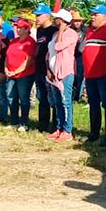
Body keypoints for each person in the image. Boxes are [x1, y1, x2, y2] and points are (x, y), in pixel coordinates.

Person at [81, 5, 106, 145]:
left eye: (96, 14)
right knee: (93, 104)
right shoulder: (90, 31)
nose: (93, 17)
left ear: (105, 16)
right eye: (92, 14)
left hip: (103, 75)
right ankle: (94, 133)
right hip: (90, 75)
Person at [47, 9, 78, 142]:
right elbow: (49, 53)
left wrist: (61, 31)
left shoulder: (71, 34)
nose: (55, 20)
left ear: (64, 21)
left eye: (57, 19)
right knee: (57, 102)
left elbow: (59, 47)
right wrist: (48, 68)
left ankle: (67, 130)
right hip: (53, 72)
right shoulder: (55, 34)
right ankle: (59, 128)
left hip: (65, 72)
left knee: (65, 102)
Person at [5, 19, 36, 131]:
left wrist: (16, 71)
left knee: (23, 98)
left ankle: (24, 122)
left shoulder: (30, 42)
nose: (17, 29)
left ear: (27, 29)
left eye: (20, 27)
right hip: (11, 74)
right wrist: (6, 68)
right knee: (11, 97)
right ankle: (14, 121)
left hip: (24, 75)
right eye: (16, 27)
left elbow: (29, 60)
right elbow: (7, 56)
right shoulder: (13, 41)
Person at [32, 3, 58, 132]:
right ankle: (42, 125)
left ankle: (55, 126)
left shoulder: (53, 31)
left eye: (39, 15)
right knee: (42, 98)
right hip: (39, 68)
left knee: (52, 98)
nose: (36, 18)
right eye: (36, 15)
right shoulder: (39, 31)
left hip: (50, 70)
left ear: (47, 16)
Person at [70, 10, 86, 102]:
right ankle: (72, 94)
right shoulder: (69, 31)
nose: (77, 23)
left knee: (80, 76)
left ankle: (78, 96)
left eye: (79, 21)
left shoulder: (85, 31)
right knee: (72, 76)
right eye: (75, 21)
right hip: (71, 56)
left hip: (80, 57)